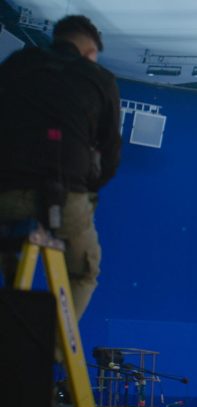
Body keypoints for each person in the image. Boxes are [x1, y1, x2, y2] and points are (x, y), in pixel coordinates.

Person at [0, 14, 122, 323]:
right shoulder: (101, 79)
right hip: (65, 200)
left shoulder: (16, 64)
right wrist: (88, 190)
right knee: (85, 272)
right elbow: (111, 155)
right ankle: (53, 345)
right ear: (90, 51)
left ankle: (11, 301)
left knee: (9, 257)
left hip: (5, 195)